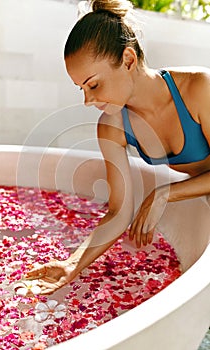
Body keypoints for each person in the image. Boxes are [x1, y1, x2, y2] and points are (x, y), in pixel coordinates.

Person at [26, 0, 210, 294]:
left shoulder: (199, 87)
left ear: (128, 60)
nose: (87, 100)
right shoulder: (112, 126)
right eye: (82, 89)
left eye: (94, 85)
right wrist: (73, 264)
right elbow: (119, 213)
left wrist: (164, 193)